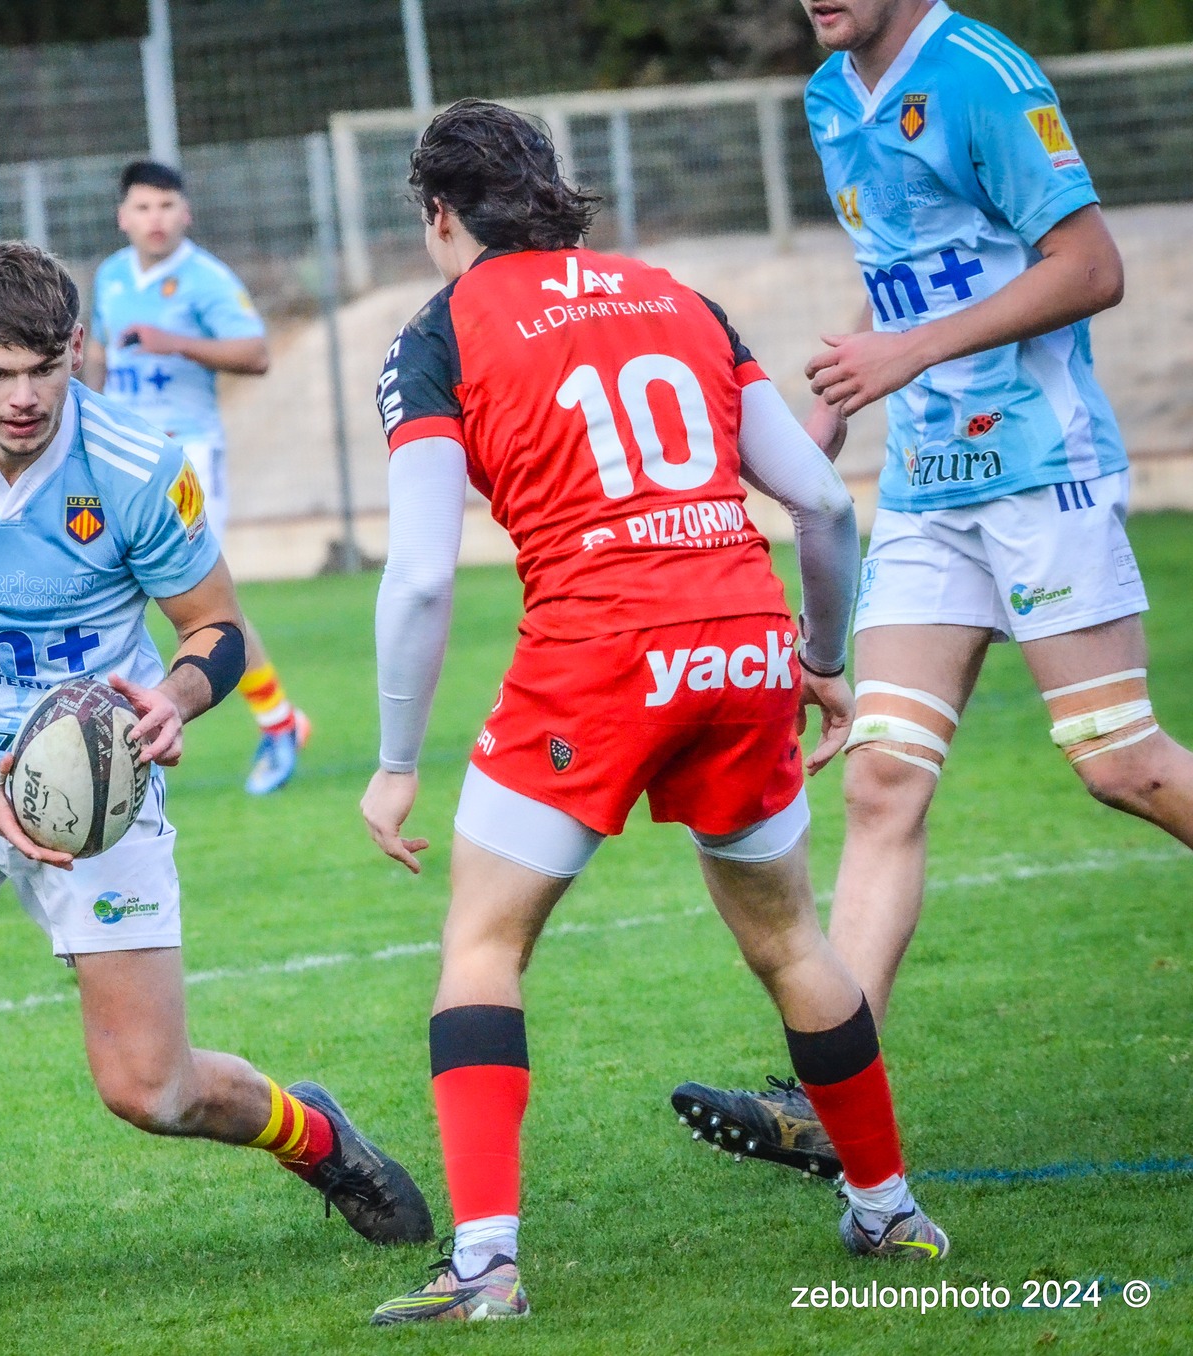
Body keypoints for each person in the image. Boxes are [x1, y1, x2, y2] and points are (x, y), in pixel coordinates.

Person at [358, 101, 950, 1326]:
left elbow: (416, 574)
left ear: (438, 214)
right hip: (739, 638)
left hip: (597, 649)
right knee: (790, 942)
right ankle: (889, 1210)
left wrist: (394, 759)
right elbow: (820, 505)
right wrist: (817, 656)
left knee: (483, 944)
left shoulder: (439, 329)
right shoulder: (678, 297)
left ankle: (485, 1266)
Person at [0, 242, 434, 1302]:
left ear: (76, 349)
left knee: (151, 1093)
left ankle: (311, 1133)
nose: (24, 396)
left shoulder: (136, 464)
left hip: (101, 789)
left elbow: (217, 628)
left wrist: (176, 698)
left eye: (45, 367)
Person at [672, 0, 1192, 1176]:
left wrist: (908, 352)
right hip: (923, 488)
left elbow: (1089, 266)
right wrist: (834, 400)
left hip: (1038, 471)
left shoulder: (978, 75)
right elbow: (898, 268)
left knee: (1118, 762)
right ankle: (831, 1099)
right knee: (881, 783)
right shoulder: (828, 95)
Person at [82, 161, 310, 796]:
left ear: (185, 213)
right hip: (120, 459)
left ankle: (278, 722)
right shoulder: (111, 275)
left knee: (206, 602)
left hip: (188, 457)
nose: (154, 219)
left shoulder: (206, 279)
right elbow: (98, 353)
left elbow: (255, 353)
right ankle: (91, 731)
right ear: (123, 217)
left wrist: (175, 341)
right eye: (142, 207)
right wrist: (87, 417)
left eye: (166, 206)